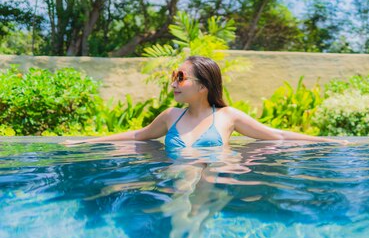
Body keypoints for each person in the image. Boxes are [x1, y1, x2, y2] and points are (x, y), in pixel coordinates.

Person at [64, 56, 346, 147]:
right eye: (174, 76)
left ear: (203, 86)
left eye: (181, 77)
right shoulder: (170, 116)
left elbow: (278, 136)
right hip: (176, 185)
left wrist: (328, 142)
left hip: (211, 186)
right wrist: (87, 142)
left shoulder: (228, 117)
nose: (174, 83)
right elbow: (138, 136)